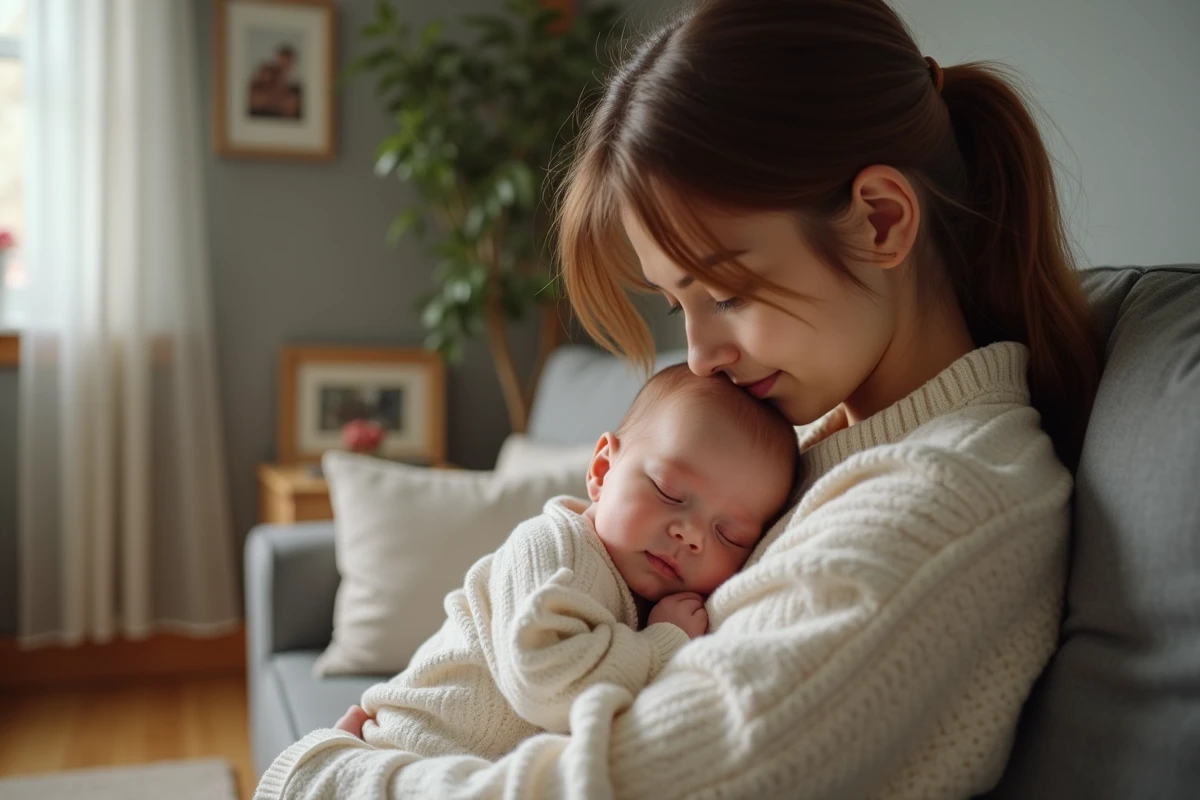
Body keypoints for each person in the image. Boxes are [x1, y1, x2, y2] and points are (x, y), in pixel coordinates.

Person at [253, 0, 1101, 797]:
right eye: (677, 305)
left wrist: (335, 774)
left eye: (727, 292)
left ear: (880, 220)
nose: (700, 355)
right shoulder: (817, 446)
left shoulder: (948, 504)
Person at [326, 364, 796, 762]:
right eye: (669, 492)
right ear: (602, 471)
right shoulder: (556, 549)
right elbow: (546, 681)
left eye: (728, 534)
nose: (690, 534)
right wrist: (663, 644)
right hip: (408, 752)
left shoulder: (645, 591)